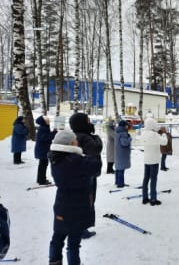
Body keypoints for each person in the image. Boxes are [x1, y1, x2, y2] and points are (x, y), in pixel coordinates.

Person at [48, 129, 101, 265]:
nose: (78, 142)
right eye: (75, 140)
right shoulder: (75, 161)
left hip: (61, 204)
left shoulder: (56, 158)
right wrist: (93, 149)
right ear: (71, 143)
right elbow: (96, 167)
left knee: (57, 238)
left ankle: (54, 262)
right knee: (73, 242)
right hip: (77, 206)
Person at [69, 113, 102, 239]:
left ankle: (78, 226)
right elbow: (96, 148)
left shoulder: (74, 136)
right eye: (88, 121)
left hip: (77, 174)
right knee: (88, 201)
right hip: (87, 175)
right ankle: (82, 229)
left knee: (81, 201)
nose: (90, 123)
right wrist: (97, 137)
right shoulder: (86, 137)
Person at [138, 117, 168, 206]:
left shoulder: (143, 134)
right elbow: (164, 142)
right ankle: (153, 199)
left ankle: (145, 197)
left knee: (146, 178)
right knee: (153, 179)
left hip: (146, 159)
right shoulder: (154, 135)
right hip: (154, 160)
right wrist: (164, 134)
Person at [34, 115, 57, 185]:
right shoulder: (43, 128)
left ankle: (40, 179)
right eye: (47, 120)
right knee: (43, 165)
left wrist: (53, 132)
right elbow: (45, 138)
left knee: (42, 165)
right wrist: (53, 133)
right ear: (44, 122)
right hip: (43, 150)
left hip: (43, 149)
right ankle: (41, 180)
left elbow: (46, 136)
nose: (49, 121)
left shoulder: (44, 127)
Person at [114, 120, 132, 188]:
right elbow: (124, 143)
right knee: (121, 169)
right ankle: (120, 184)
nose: (127, 126)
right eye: (126, 125)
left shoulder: (117, 131)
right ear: (124, 126)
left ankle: (117, 181)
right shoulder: (123, 133)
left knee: (118, 168)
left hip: (118, 152)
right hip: (122, 153)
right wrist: (129, 138)